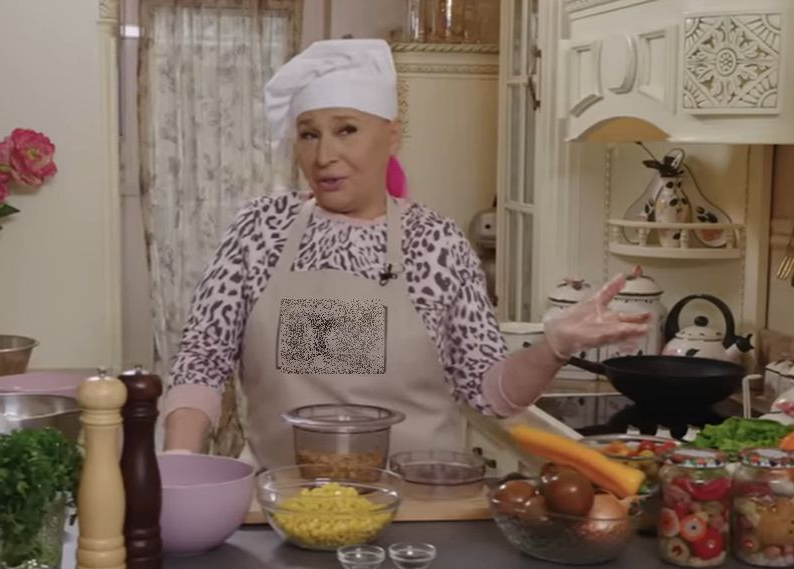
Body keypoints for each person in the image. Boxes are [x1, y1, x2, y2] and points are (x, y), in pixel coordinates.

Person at [161, 39, 647, 468]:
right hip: (282, 503)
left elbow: (489, 394)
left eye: (346, 129)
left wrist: (553, 347)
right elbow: (203, 358)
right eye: (309, 134)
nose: (324, 155)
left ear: (391, 135)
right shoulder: (260, 228)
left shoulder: (435, 243)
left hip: (417, 509)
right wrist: (180, 464)